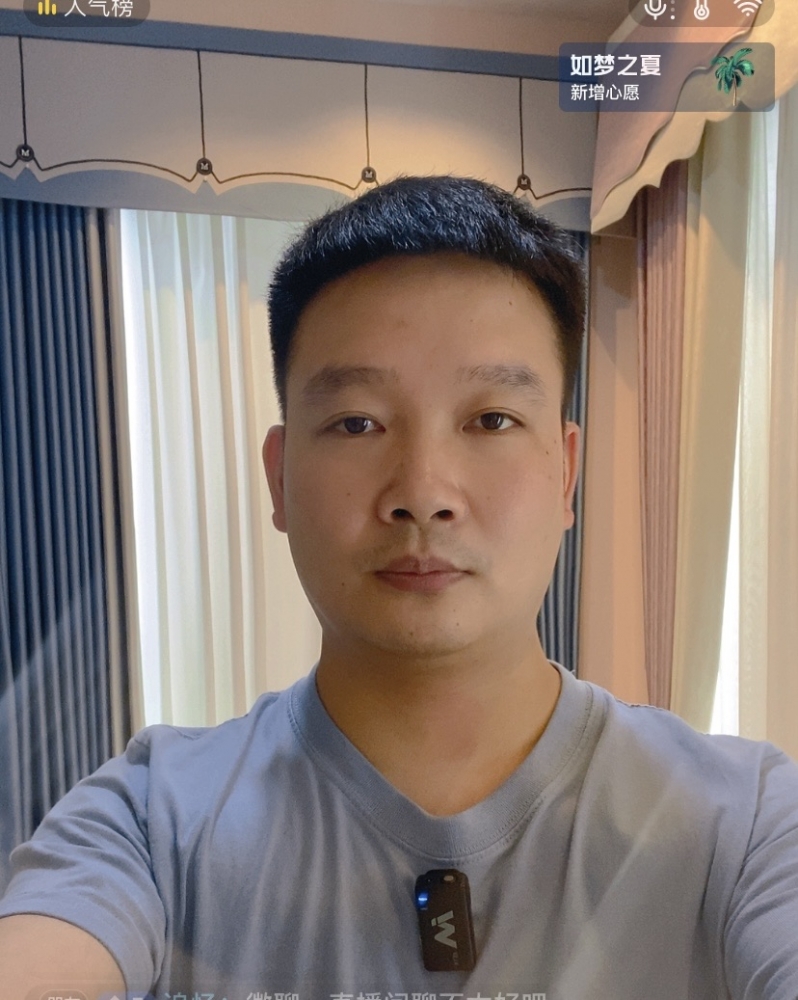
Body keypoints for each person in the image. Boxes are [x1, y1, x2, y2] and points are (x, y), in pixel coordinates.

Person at [1, 175, 797, 1000]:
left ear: (565, 474)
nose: (423, 491)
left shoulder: (745, 826)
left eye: (491, 419)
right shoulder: (147, 822)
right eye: (357, 423)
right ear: (279, 478)